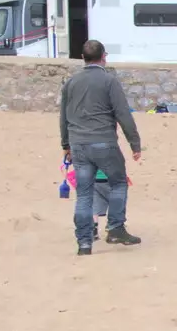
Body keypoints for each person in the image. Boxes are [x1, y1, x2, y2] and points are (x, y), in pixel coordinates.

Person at [60, 39, 142, 255]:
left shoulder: (71, 82)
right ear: (104, 56)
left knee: (84, 194)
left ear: (83, 57)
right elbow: (122, 113)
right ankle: (115, 228)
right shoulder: (109, 81)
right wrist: (134, 142)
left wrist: (66, 144)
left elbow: (64, 116)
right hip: (103, 141)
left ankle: (84, 243)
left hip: (78, 143)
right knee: (118, 183)